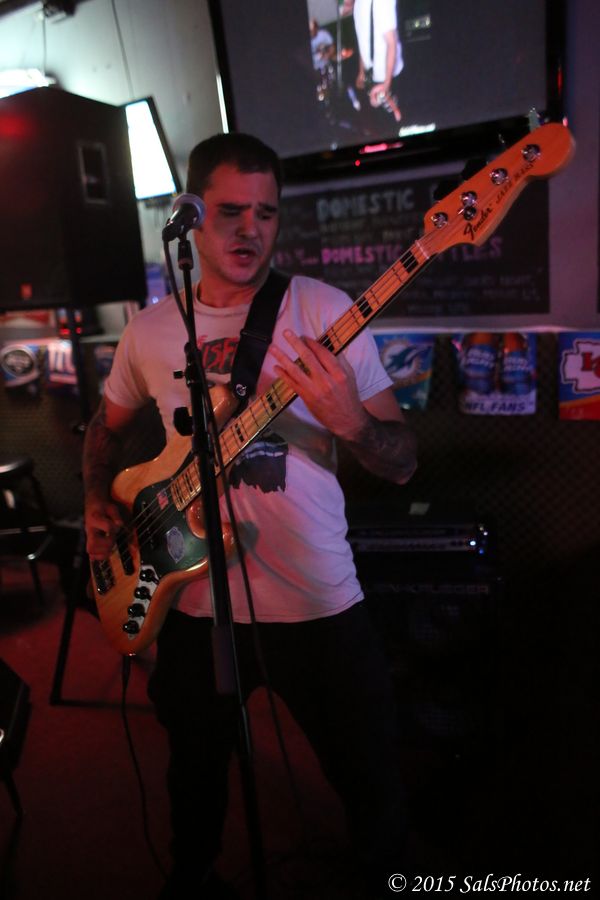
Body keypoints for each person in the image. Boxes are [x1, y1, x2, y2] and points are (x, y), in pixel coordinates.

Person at [83, 132, 417, 899]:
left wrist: (353, 423)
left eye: (266, 213)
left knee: (368, 773)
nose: (250, 229)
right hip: (192, 599)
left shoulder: (323, 309)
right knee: (194, 770)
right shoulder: (150, 329)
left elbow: (402, 461)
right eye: (231, 211)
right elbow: (105, 427)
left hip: (315, 599)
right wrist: (96, 496)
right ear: (191, 214)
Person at [343, 0, 403, 122]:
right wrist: (362, 71)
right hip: (373, 77)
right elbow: (364, 41)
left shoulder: (382, 2)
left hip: (388, 77)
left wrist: (386, 84)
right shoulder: (358, 4)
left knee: (396, 122)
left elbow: (391, 44)